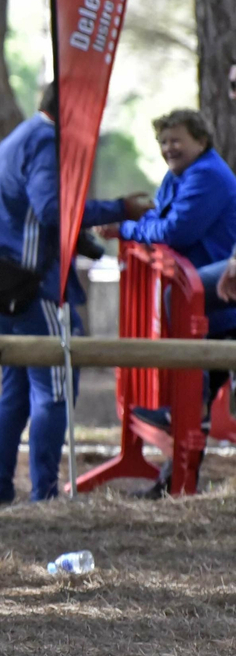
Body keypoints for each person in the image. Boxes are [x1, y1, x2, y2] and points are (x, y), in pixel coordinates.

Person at [0, 83, 151, 503]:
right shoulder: (46, 143)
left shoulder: (16, 139)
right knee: (53, 391)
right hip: (35, 287)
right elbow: (52, 210)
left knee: (16, 390)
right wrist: (120, 208)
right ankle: (45, 495)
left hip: (1, 282)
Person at [104, 109, 236, 495]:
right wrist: (140, 227)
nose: (168, 148)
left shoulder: (207, 176)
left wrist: (127, 229)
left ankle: (182, 437)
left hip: (216, 302)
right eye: (163, 142)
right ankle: (174, 480)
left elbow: (175, 231)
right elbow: (159, 219)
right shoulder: (180, 174)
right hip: (205, 303)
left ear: (201, 140)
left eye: (176, 140)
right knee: (198, 382)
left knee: (195, 379)